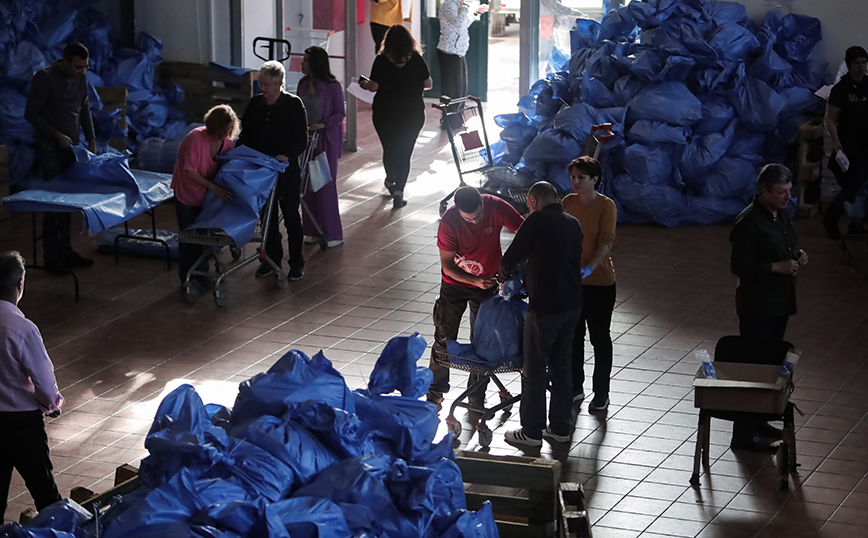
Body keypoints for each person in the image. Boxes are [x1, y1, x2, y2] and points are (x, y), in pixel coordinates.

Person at [729, 163, 808, 452]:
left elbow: (784, 244)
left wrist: (796, 256)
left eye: (789, 191)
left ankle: (759, 421)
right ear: (764, 192)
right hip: (758, 306)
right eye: (781, 192)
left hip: (778, 303)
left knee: (771, 366)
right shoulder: (748, 222)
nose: (788, 197)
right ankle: (742, 434)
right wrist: (778, 266)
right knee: (753, 369)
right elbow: (739, 265)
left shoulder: (780, 214)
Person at [499, 182, 584, 447]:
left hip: (545, 305)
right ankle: (560, 427)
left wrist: (502, 278)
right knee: (561, 364)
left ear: (534, 201)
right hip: (572, 304)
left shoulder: (535, 221)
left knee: (534, 367)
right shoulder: (573, 223)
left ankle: (532, 431)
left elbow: (510, 257)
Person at [427, 186, 524, 410]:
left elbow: (524, 230)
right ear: (459, 211)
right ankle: (435, 392)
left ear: (483, 202)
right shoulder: (449, 222)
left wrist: (508, 263)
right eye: (468, 219)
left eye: (478, 216)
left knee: (483, 342)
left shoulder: (497, 207)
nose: (473, 222)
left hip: (487, 284)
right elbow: (447, 266)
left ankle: (476, 395)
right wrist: (474, 281)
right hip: (455, 287)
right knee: (444, 338)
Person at [0, 251, 64, 520]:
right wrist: (52, 404)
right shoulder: (22, 329)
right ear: (20, 284)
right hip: (23, 423)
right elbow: (43, 379)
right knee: (44, 492)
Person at [24, 41, 96, 275]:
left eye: (85, 67)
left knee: (69, 203)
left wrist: (91, 139)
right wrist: (55, 135)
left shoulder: (81, 78)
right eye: (77, 67)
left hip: (71, 148)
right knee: (54, 203)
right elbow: (31, 113)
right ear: (64, 61)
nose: (81, 71)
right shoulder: (44, 78)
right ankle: (51, 256)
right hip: (49, 148)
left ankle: (66, 250)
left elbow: (84, 109)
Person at [237, 61, 308, 281]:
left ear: (279, 83)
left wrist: (287, 155)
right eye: (261, 84)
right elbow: (246, 133)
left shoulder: (294, 104)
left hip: (286, 169)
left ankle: (296, 262)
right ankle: (270, 260)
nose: (263, 88)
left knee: (290, 216)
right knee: (266, 216)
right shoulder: (255, 104)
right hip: (261, 169)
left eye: (267, 84)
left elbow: (301, 138)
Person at [561, 157, 616, 413]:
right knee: (574, 337)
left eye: (581, 177)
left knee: (600, 338)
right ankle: (575, 387)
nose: (576, 182)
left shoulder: (606, 206)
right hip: (573, 284)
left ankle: (601, 393)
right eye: (573, 177)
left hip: (600, 284)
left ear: (594, 179)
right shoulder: (567, 203)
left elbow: (606, 242)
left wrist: (590, 267)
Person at [359, 24, 433, 209]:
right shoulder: (416, 59)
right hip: (412, 112)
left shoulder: (382, 60)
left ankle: (390, 179)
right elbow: (428, 84)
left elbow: (373, 86)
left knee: (389, 147)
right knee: (405, 151)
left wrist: (363, 83)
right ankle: (399, 190)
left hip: (386, 112)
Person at [171, 105, 238, 290]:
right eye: (223, 131)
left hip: (207, 196)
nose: (226, 134)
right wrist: (215, 188)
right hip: (187, 192)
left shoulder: (228, 143)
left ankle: (202, 272)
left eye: (229, 131)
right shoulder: (195, 139)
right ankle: (187, 276)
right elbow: (190, 171)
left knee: (204, 237)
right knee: (188, 236)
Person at [298, 46, 346, 248]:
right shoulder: (302, 83)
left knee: (324, 186)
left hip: (324, 141)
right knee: (306, 186)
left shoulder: (332, 86)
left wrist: (323, 124)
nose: (301, 63)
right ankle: (311, 229)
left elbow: (339, 112)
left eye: (306, 60)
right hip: (305, 141)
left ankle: (332, 232)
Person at [823, 46, 868, 239]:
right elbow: (831, 119)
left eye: (864, 62)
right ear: (849, 65)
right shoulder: (841, 89)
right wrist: (836, 141)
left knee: (865, 187)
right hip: (849, 145)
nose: (861, 66)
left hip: (867, 144)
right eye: (857, 63)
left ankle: (856, 224)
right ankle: (831, 219)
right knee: (854, 186)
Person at [437, 1, 489, 101]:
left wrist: (476, 12)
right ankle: (451, 115)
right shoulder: (449, 5)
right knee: (452, 91)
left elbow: (465, 23)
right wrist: (464, 7)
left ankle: (458, 114)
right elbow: (459, 23)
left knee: (460, 90)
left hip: (459, 51)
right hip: (449, 51)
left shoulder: (457, 5)